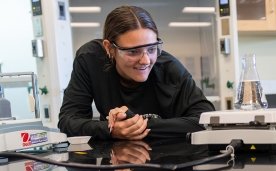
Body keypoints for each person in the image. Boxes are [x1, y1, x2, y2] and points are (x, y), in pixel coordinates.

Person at [58, 5, 215, 140]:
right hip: (116, 164)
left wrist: (136, 123)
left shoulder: (170, 68)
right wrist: (110, 129)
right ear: (109, 48)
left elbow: (207, 120)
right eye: (133, 51)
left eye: (152, 49)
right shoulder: (90, 59)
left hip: (168, 160)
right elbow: (68, 121)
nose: (146, 60)